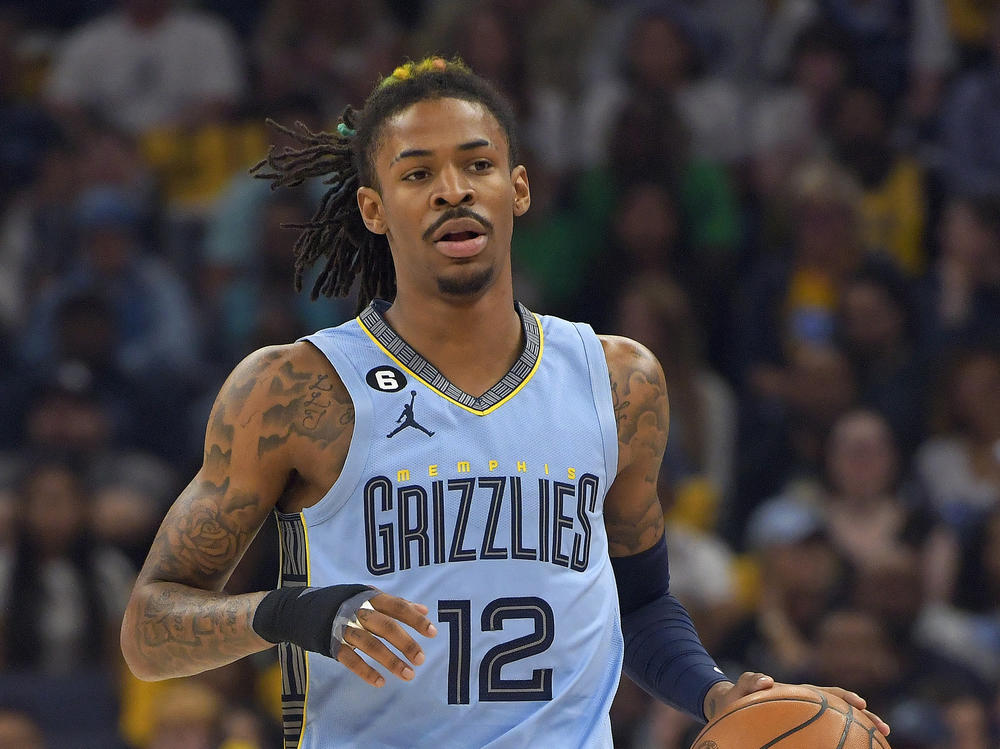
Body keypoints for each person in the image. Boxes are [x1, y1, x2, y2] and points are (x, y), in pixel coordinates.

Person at [120, 57, 889, 747]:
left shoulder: (620, 379)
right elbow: (149, 628)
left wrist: (717, 691)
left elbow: (642, 602)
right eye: (417, 173)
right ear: (373, 208)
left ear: (516, 188)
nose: (453, 189)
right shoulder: (294, 387)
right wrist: (296, 613)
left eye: (477, 164)